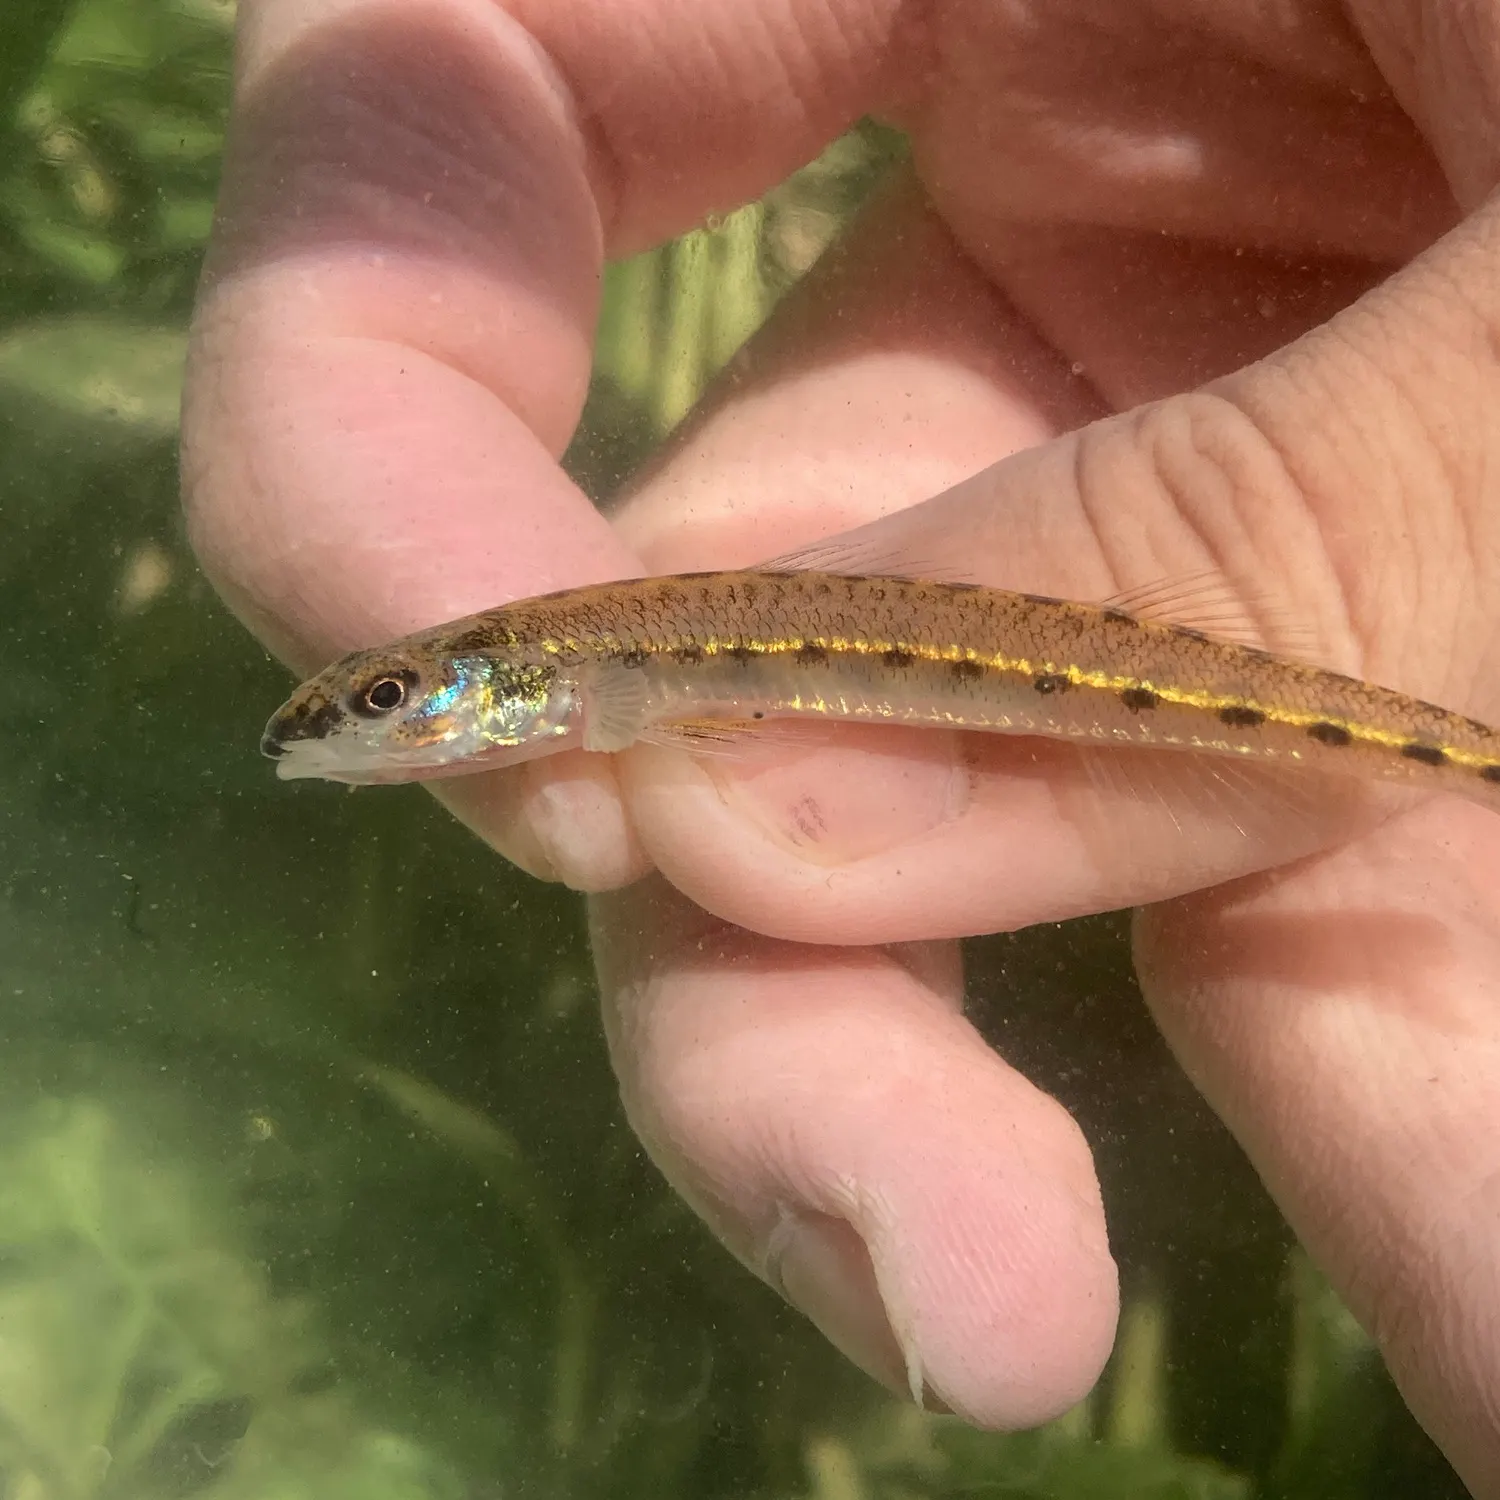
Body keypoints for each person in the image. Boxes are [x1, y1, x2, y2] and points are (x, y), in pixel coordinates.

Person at [180, 0, 1500, 1486]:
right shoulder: (579, 671)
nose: (362, 722)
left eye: (382, 702)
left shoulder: (580, 663)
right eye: (373, 704)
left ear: (486, 679)